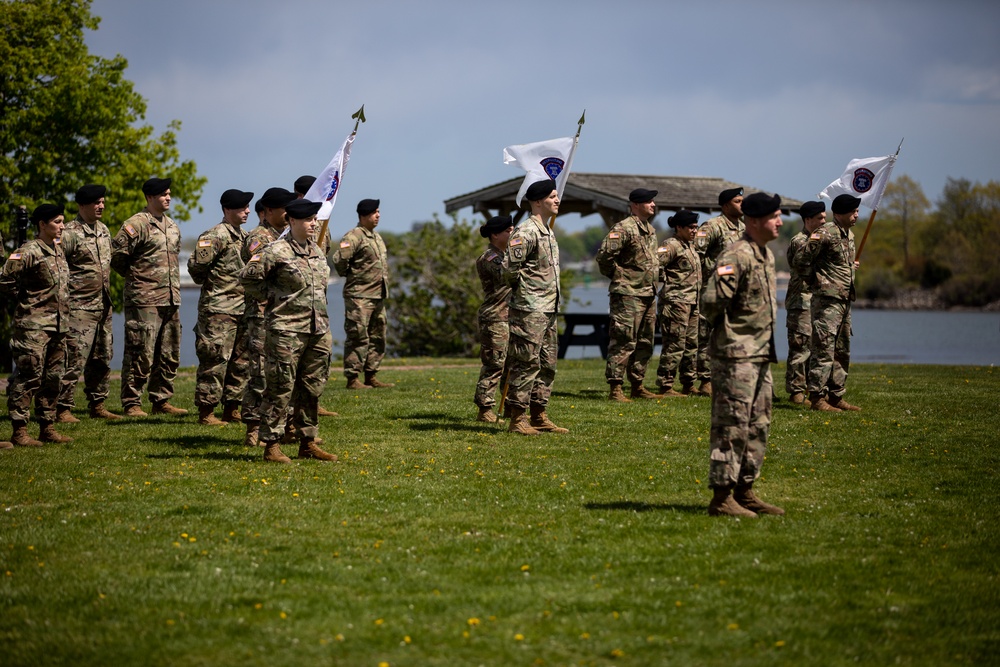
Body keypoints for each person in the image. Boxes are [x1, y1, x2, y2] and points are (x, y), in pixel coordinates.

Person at [700, 191, 785, 518]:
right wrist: (731, 334)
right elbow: (710, 302)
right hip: (735, 357)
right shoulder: (735, 256)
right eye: (774, 216)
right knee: (731, 425)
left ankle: (745, 491)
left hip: (761, 356)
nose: (779, 221)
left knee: (757, 424)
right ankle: (721, 498)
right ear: (754, 221)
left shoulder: (765, 255)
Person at [240, 198, 338, 463]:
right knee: (280, 387)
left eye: (315, 220)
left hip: (317, 330)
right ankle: (271, 445)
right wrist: (271, 296)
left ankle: (307, 442)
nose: (313, 224)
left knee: (312, 388)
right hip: (286, 330)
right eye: (308, 220)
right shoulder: (275, 251)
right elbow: (247, 279)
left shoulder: (317, 252)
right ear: (292, 221)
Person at [110, 177, 186, 417]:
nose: (168, 198)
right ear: (150, 197)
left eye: (169, 193)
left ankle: (161, 400)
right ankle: (132, 402)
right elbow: (117, 256)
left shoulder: (172, 226)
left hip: (170, 298)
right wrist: (138, 279)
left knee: (169, 352)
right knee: (139, 350)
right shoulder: (136, 224)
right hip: (144, 299)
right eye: (163, 194)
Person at [0, 204, 71, 446]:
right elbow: (4, 278)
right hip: (33, 327)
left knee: (53, 378)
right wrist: (24, 299)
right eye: (57, 222)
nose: (62, 226)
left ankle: (47, 427)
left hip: (58, 325)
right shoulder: (29, 251)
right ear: (42, 224)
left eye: (62, 221)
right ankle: (19, 431)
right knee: (29, 377)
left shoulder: (57, 249)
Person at [501, 179, 568, 435]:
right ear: (538, 201)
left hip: (549, 309)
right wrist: (526, 293)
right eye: (552, 196)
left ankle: (539, 414)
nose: (557, 200)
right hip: (530, 309)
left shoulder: (547, 231)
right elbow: (508, 270)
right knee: (525, 363)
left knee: (547, 364)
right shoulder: (526, 232)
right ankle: (517, 418)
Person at [188, 189, 253, 425]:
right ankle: (206, 412)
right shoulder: (214, 236)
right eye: (242, 207)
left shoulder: (245, 236)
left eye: (247, 207)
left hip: (241, 308)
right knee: (214, 360)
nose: (247, 211)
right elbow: (196, 268)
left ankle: (232, 408)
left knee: (240, 362)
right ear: (227, 210)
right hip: (218, 309)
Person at [56, 184, 121, 422]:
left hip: (103, 306)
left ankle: (98, 404)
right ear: (82, 205)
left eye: (103, 202)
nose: (101, 206)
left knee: (102, 358)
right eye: (96, 202)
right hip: (78, 308)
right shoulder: (70, 233)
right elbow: (57, 268)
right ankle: (62, 408)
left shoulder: (103, 230)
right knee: (73, 359)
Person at [240, 187, 297, 446]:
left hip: (286, 315)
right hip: (262, 314)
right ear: (270, 211)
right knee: (260, 372)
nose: (288, 213)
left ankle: (285, 426)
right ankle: (253, 427)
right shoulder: (258, 237)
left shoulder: (287, 235)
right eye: (284, 209)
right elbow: (254, 274)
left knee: (284, 373)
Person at [595, 188, 663, 402]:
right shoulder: (623, 228)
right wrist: (619, 275)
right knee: (624, 339)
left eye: (653, 201)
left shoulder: (650, 230)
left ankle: (637, 384)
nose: (653, 205)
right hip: (628, 294)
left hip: (648, 294)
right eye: (648, 201)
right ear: (635, 204)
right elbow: (604, 256)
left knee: (645, 341)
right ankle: (616, 387)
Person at [797, 193, 863, 412]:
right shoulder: (824, 234)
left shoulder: (849, 235)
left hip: (844, 301)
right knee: (823, 349)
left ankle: (836, 395)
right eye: (853, 211)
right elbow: (801, 260)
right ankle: (817, 397)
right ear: (840, 213)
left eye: (857, 211)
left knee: (842, 350)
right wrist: (816, 280)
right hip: (827, 302)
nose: (856, 215)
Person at [333, 198, 393, 389]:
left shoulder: (375, 237)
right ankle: (352, 378)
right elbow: (339, 259)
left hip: (377, 296)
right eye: (375, 212)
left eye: (379, 212)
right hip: (359, 296)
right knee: (358, 336)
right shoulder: (354, 236)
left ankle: (371, 375)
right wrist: (348, 274)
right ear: (364, 214)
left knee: (378, 336)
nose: (378, 215)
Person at [694, 187, 744, 396]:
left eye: (743, 201)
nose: (742, 205)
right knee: (708, 336)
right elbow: (696, 254)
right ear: (725, 206)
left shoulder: (744, 228)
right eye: (737, 201)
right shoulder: (712, 226)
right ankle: (706, 381)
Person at [654, 210, 701, 396]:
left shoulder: (690, 246)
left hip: (692, 302)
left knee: (691, 345)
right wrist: (667, 281)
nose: (694, 231)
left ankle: (688, 383)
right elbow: (655, 264)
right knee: (674, 345)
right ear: (679, 227)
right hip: (675, 303)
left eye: (696, 227)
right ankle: (666, 385)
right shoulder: (670, 245)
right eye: (690, 227)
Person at [784, 201, 826, 405]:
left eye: (825, 217)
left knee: (816, 347)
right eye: (820, 218)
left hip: (817, 301)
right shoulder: (800, 241)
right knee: (800, 347)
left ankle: (813, 388)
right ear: (808, 220)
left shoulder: (821, 240)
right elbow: (804, 265)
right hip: (800, 301)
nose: (824, 221)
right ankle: (796, 391)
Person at [473, 215, 514, 422]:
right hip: (496, 318)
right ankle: (485, 408)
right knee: (494, 364)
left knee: (512, 365)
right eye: (508, 230)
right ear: (495, 234)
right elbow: (508, 276)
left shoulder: (508, 256)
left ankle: (510, 406)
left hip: (512, 317)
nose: (512, 232)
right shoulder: (490, 258)